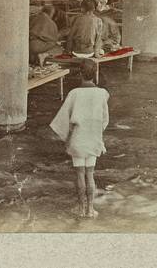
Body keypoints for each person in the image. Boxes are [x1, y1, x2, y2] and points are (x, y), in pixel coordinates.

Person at [49, 58, 109, 219]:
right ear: (95, 74)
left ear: (80, 74)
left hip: (78, 137)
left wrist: (67, 137)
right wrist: (96, 132)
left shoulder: (74, 93)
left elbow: (63, 119)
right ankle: (91, 209)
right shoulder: (102, 94)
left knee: (79, 174)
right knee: (90, 174)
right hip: (93, 137)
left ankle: (81, 208)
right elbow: (105, 119)